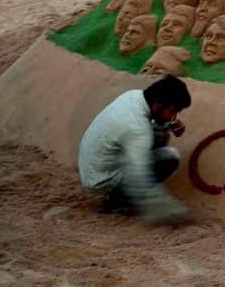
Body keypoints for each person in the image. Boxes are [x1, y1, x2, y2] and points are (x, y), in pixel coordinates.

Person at [78, 75, 192, 222]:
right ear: (157, 105)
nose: (174, 116)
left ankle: (117, 191)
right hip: (99, 181)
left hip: (92, 165)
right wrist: (168, 209)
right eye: (171, 111)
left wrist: (168, 124)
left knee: (160, 134)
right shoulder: (138, 130)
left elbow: (143, 124)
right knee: (171, 157)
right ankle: (115, 200)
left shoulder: (133, 95)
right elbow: (139, 176)